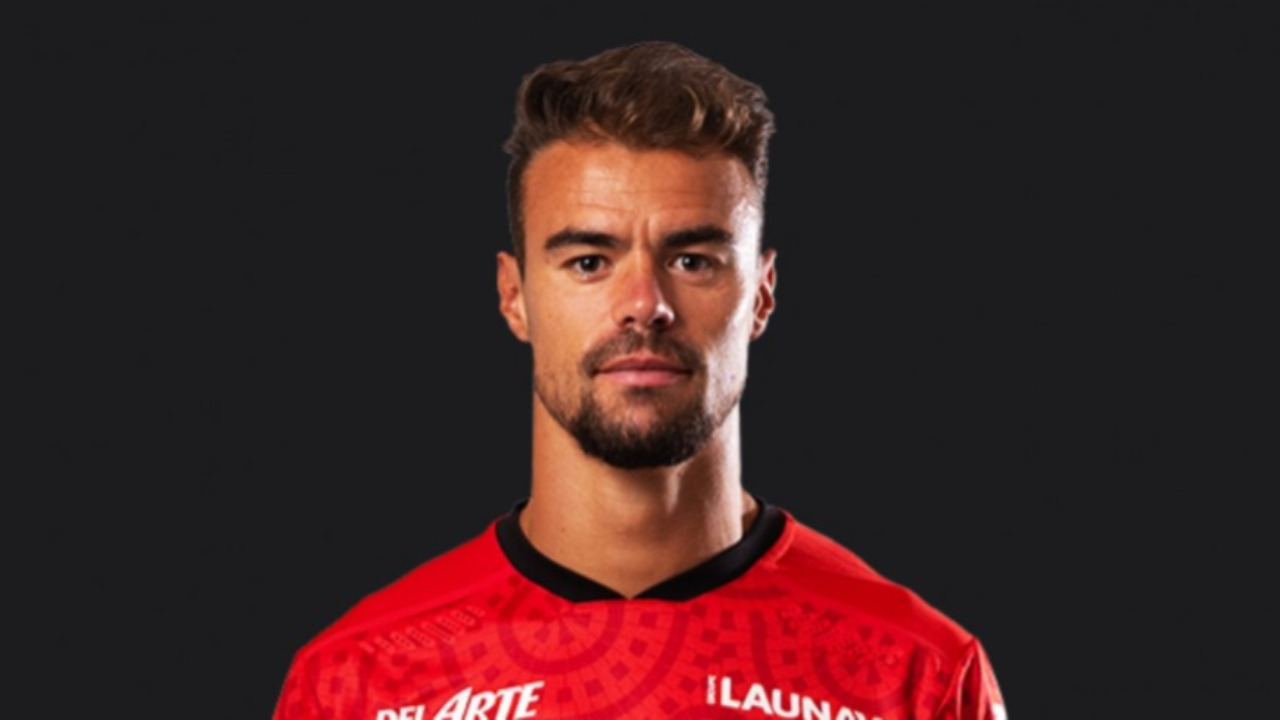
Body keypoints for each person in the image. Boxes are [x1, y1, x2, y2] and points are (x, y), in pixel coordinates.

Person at [272, 40, 1006, 720]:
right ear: (514, 296)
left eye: (692, 261)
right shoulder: (358, 681)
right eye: (589, 261)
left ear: (761, 295)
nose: (644, 305)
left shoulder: (915, 673)